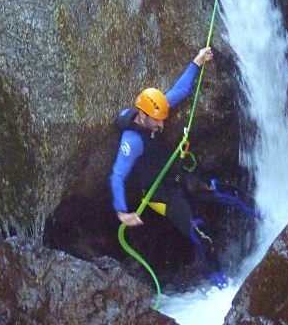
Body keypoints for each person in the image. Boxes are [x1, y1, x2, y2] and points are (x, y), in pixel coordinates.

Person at [109, 46, 257, 289]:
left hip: (175, 174)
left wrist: (197, 62)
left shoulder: (154, 110)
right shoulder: (131, 141)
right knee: (200, 234)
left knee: (223, 191)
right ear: (142, 115)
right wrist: (122, 211)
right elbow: (117, 175)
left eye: (162, 118)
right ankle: (221, 285)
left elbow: (180, 90)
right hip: (160, 194)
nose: (161, 123)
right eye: (156, 120)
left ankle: (267, 217)